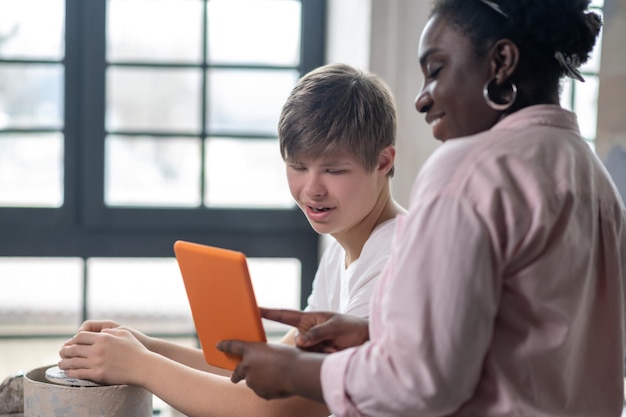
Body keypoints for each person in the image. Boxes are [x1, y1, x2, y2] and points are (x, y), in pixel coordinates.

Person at [216, 1, 626, 416]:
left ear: (501, 62)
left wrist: (297, 373)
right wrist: (373, 334)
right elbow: (535, 342)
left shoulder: (469, 170)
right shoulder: (594, 179)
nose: (421, 100)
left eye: (435, 70)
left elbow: (424, 383)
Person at [57, 63, 406, 417]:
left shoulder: (396, 260)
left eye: (333, 170)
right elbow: (259, 372)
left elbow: (278, 408)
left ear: (382, 161)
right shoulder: (341, 253)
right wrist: (146, 348)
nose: (312, 189)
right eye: (298, 166)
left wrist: (140, 366)